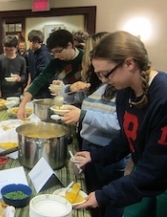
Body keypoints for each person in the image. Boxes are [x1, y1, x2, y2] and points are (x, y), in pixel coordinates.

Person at [75, 31, 167, 217]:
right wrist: (96, 156)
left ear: (129, 64)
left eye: (105, 74)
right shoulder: (125, 91)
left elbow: (155, 170)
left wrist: (104, 195)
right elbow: (126, 138)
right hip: (147, 173)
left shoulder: (163, 98)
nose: (102, 81)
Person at [59, 32, 128, 217]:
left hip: (109, 150)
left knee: (111, 199)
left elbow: (118, 125)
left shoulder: (120, 86)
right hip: (91, 147)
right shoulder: (100, 82)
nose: (86, 57)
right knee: (94, 194)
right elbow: (79, 97)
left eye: (89, 52)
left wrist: (83, 115)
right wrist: (69, 88)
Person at [17, 29, 83, 120]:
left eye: (58, 51)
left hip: (85, 105)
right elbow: (39, 81)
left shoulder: (85, 58)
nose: (56, 56)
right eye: (53, 53)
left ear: (69, 45)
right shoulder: (56, 61)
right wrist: (22, 105)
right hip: (68, 103)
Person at [26, 29, 52, 99]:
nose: (31, 44)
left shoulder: (44, 54)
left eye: (34, 42)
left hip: (44, 90)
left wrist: (30, 87)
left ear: (39, 42)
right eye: (30, 41)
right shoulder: (31, 52)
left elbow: (43, 76)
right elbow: (30, 70)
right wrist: (28, 85)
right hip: (35, 87)